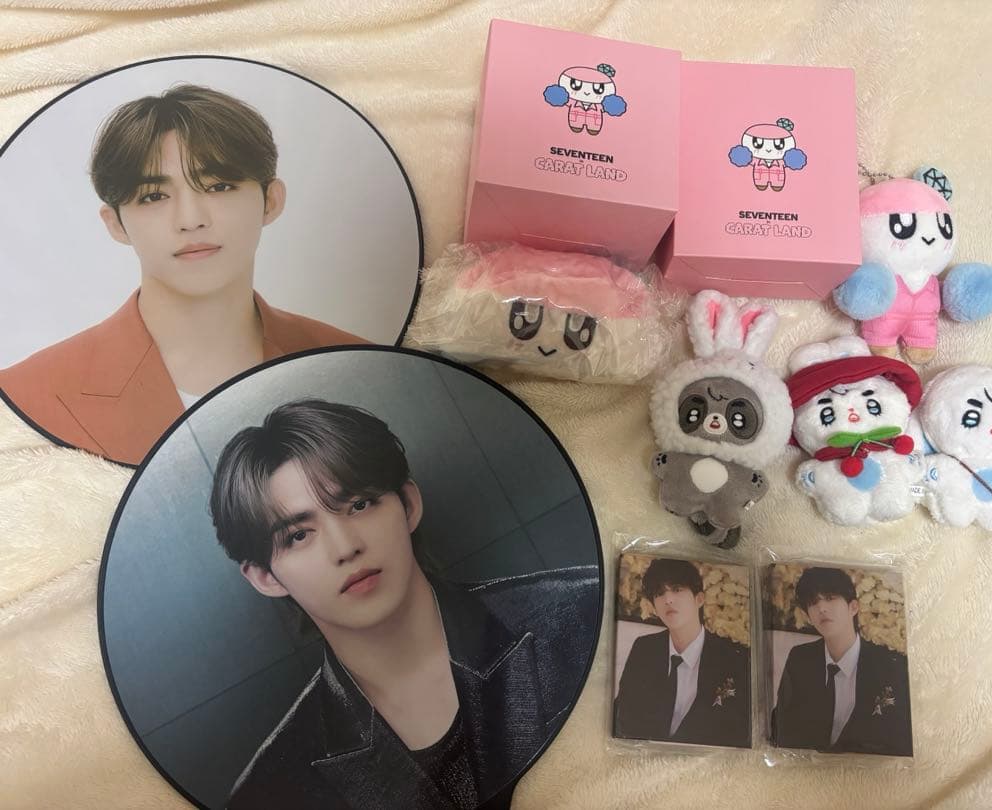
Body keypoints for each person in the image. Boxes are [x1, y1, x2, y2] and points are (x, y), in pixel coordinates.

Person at [209, 399, 598, 809]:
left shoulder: (582, 610)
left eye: (359, 505)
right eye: (299, 536)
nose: (345, 547)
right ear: (266, 577)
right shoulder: (269, 792)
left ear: (408, 505)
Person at [0, 85, 366, 465]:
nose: (191, 220)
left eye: (219, 186)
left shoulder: (361, 368)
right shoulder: (23, 394)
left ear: (270, 201)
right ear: (116, 224)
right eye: (153, 196)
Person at [770, 566, 913, 756]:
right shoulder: (800, 658)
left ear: (853, 607)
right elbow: (782, 725)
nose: (821, 608)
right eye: (813, 602)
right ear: (809, 616)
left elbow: (901, 739)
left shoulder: (891, 663)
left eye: (830, 598)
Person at [613, 557, 750, 747]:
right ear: (654, 607)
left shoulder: (735, 657)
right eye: (660, 593)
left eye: (677, 589)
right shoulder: (644, 648)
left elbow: (738, 733)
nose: (668, 599)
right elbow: (622, 716)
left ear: (699, 599)